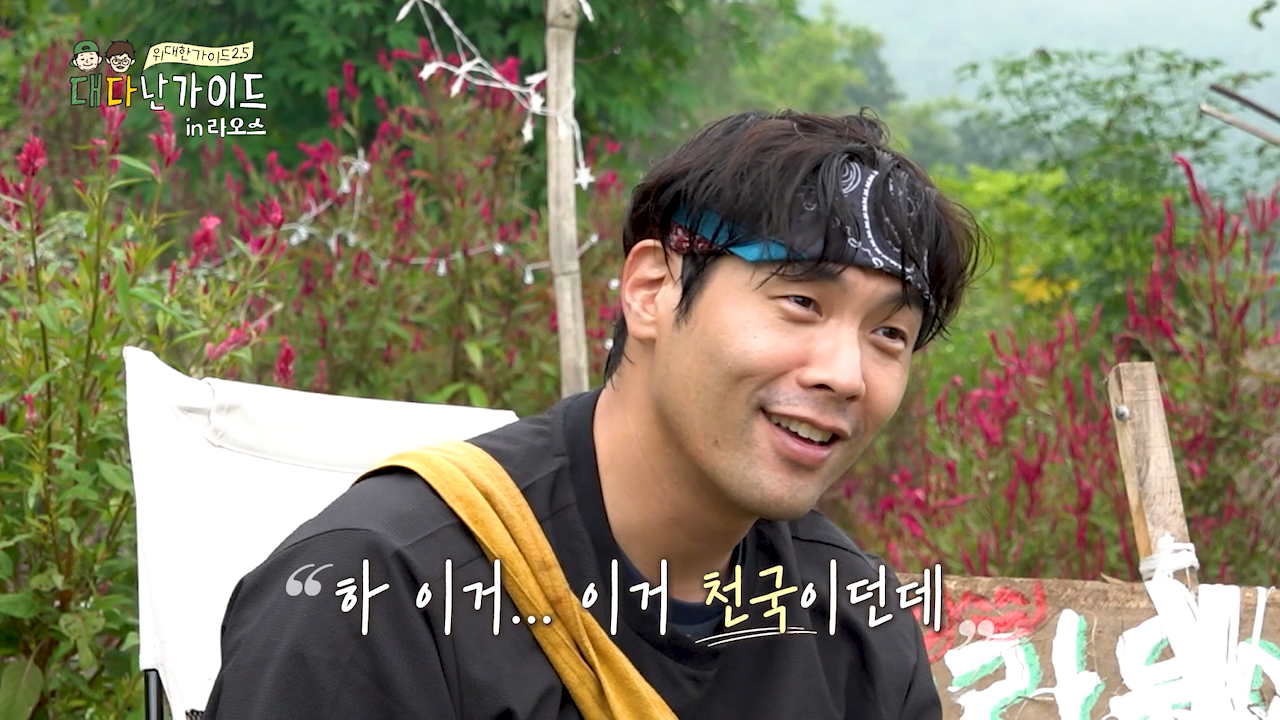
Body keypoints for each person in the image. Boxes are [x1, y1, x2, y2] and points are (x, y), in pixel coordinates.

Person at [202, 109, 983, 719]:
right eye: (801, 302)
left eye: (889, 334)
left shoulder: (855, 626)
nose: (845, 374)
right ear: (652, 290)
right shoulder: (381, 595)